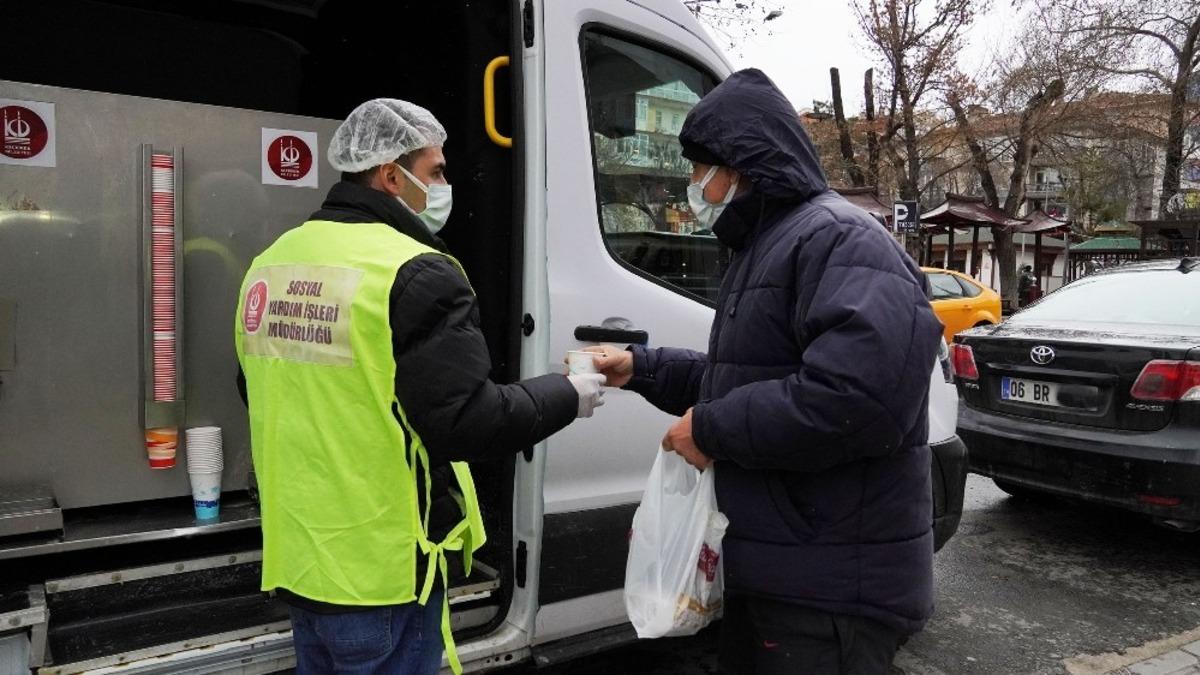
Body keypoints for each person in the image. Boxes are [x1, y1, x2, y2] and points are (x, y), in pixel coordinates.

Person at [587, 69, 943, 674]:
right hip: (784, 566)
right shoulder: (773, 242)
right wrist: (640, 369)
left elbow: (856, 401)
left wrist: (709, 429)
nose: (695, 184)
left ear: (741, 164)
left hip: (830, 587)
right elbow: (746, 378)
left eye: (702, 168)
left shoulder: (839, 239)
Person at [234, 98, 606, 675]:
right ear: (390, 176)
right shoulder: (415, 269)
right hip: (382, 572)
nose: (443, 186)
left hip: (302, 560)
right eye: (435, 171)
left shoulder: (272, 261)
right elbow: (467, 421)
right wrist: (568, 393)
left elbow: (259, 388)